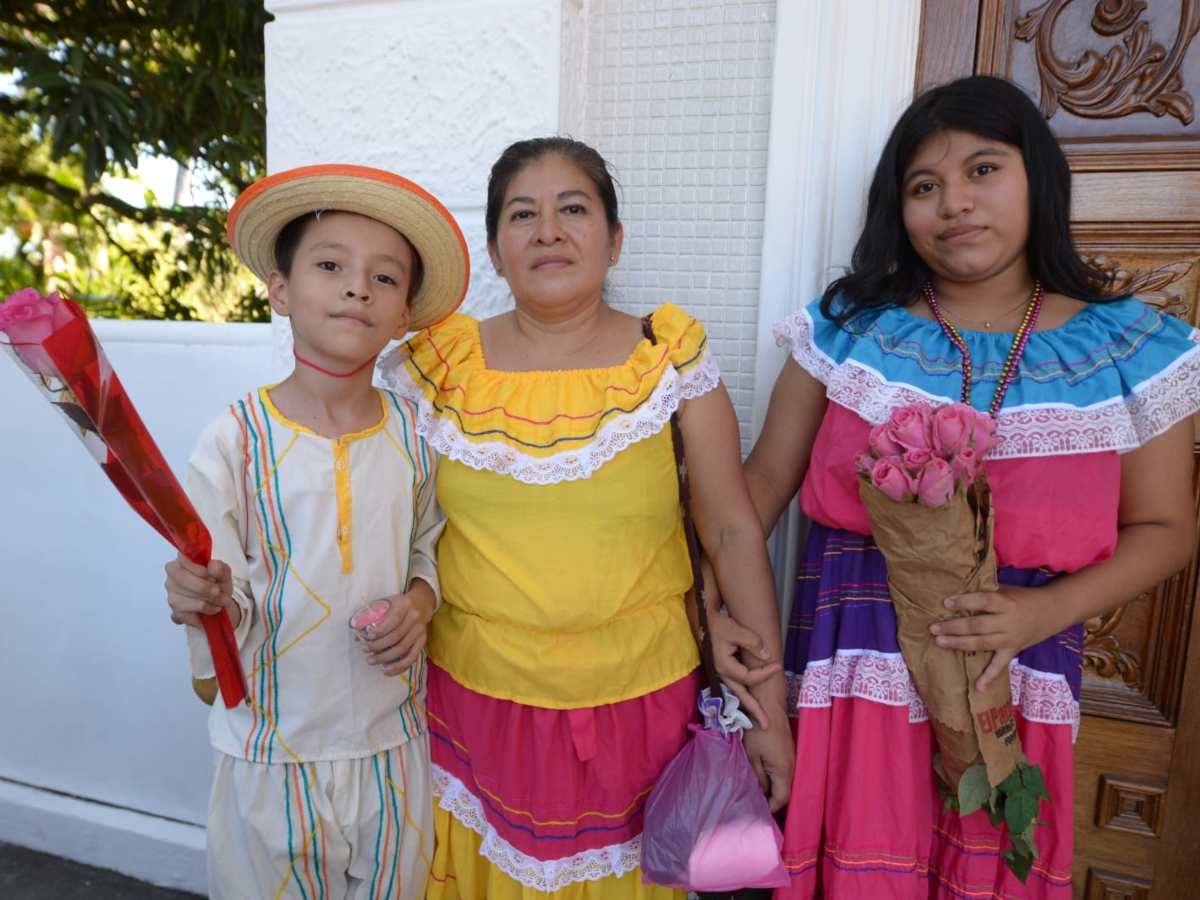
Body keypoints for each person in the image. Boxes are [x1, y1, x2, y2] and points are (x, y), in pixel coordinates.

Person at [744, 76, 1200, 899]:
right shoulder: (849, 327)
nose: (954, 203)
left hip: (1013, 668)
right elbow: (760, 490)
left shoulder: (1128, 346)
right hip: (854, 662)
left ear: (1038, 179)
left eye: (982, 170)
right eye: (925, 186)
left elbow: (1170, 528)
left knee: (989, 864)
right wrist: (735, 656)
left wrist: (1041, 612)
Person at [377, 136, 795, 899]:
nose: (549, 231)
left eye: (573, 209)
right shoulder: (436, 371)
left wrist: (770, 715)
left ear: (615, 238)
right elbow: (387, 519)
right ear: (496, 252)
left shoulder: (667, 360)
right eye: (522, 215)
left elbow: (732, 531)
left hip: (645, 710)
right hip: (475, 707)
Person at [163, 164, 470, 899]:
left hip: (391, 749)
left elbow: (433, 544)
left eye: (384, 278)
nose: (357, 287)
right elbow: (215, 598)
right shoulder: (234, 441)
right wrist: (196, 593)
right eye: (330, 265)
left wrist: (421, 605)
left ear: (404, 316)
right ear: (280, 289)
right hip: (271, 753)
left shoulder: (417, 435)